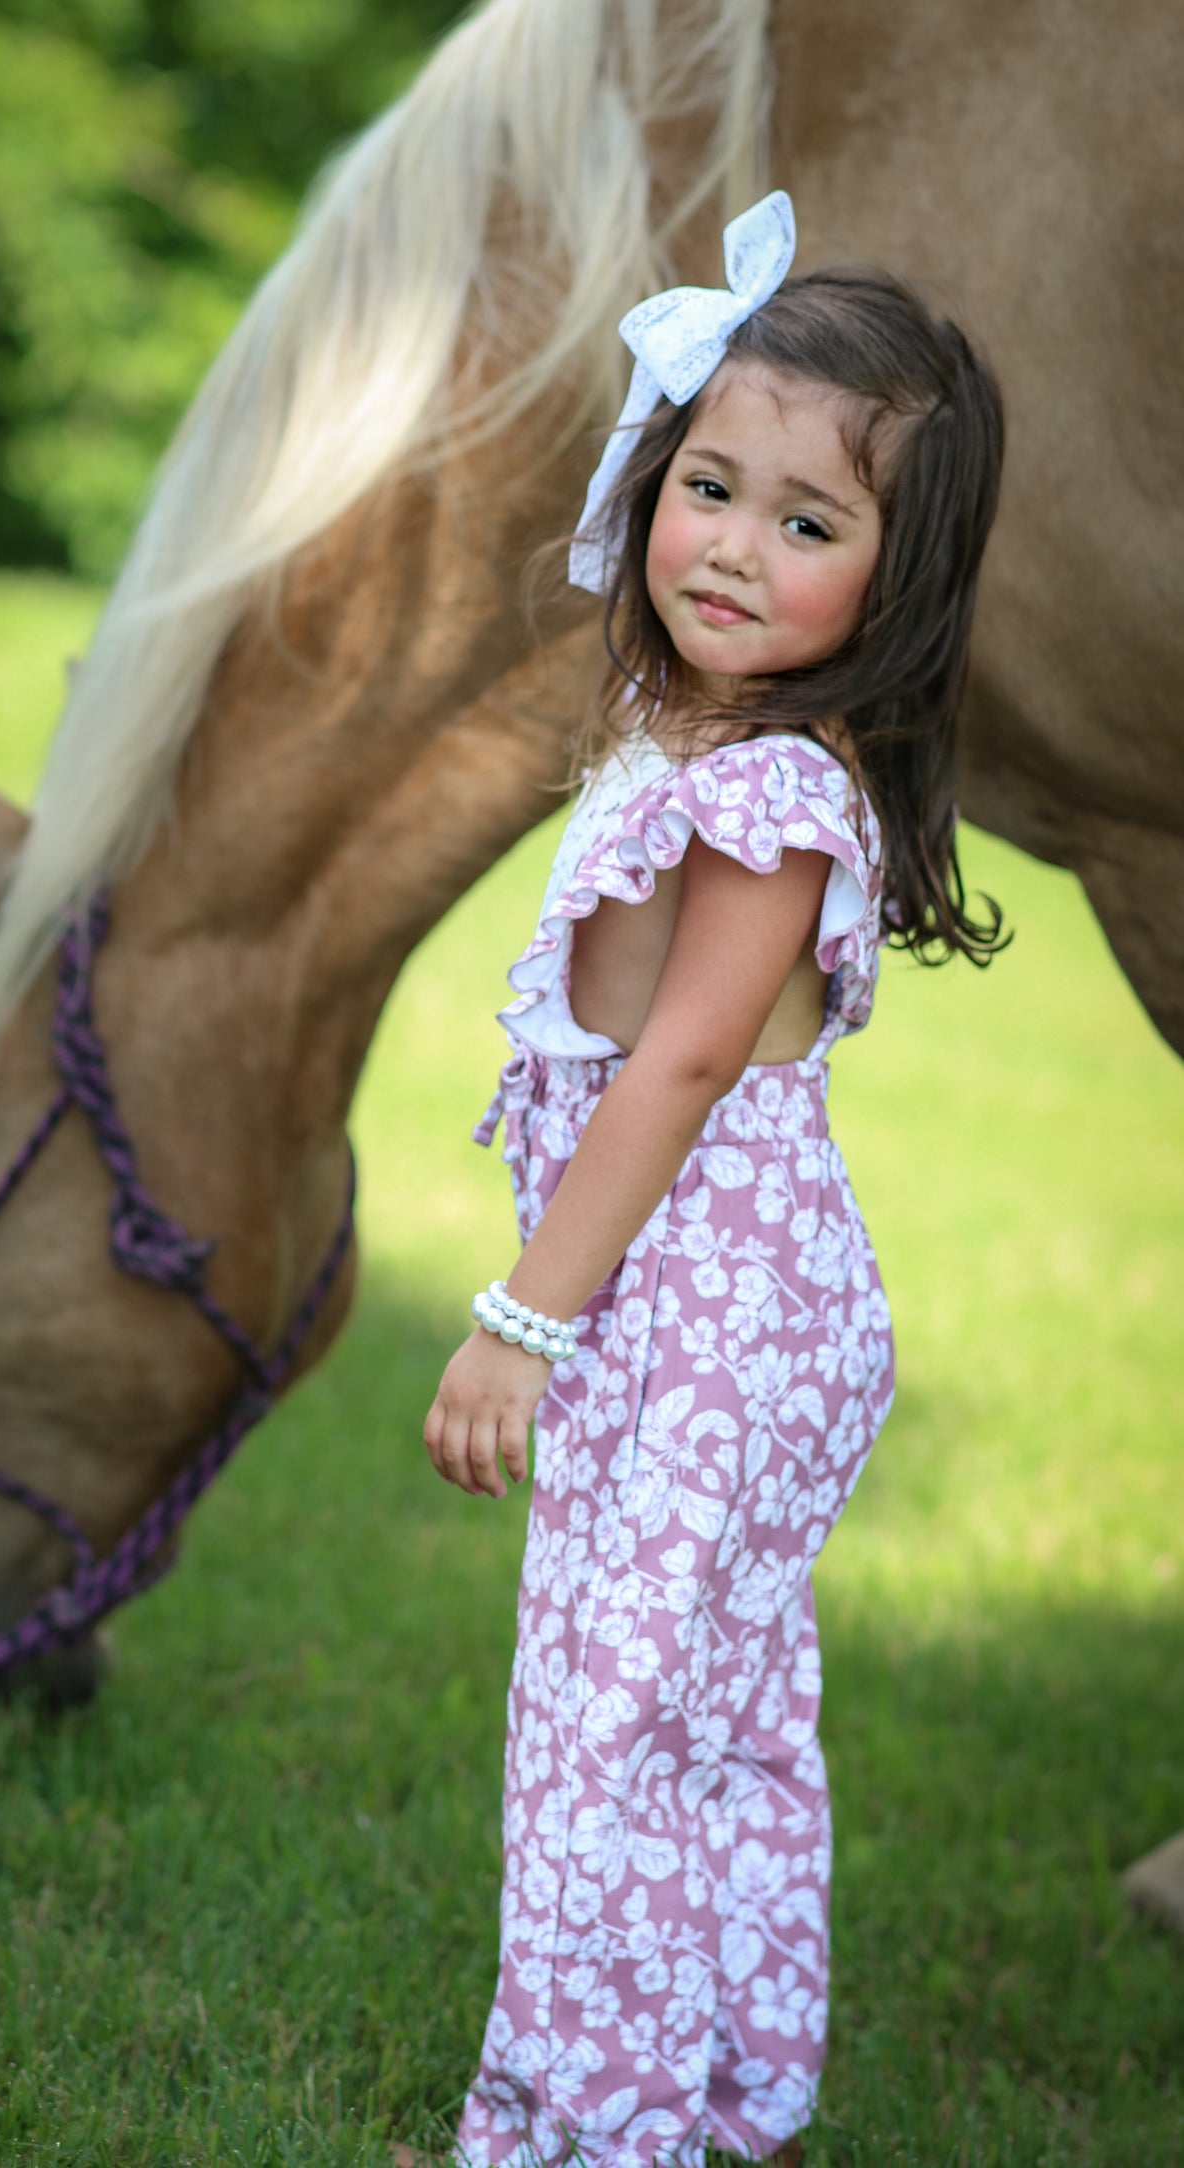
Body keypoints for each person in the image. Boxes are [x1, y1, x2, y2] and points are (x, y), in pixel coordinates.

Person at [419, 194, 1006, 2166]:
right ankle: (730, 2095)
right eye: (709, 484)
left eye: (808, 522)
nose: (733, 547)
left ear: (898, 575)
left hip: (702, 1322)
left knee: (604, 1744)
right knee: (711, 1717)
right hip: (728, 1309)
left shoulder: (769, 789)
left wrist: (520, 1316)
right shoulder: (689, 728)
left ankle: (588, 2136)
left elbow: (674, 1065)